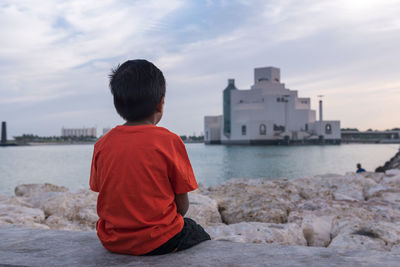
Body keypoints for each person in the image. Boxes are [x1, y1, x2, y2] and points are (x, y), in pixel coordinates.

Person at [89, 59, 210, 256]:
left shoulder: (102, 144)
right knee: (196, 231)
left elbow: (103, 191)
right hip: (159, 241)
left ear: (117, 103)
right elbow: (182, 205)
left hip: (112, 241)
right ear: (160, 104)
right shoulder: (169, 141)